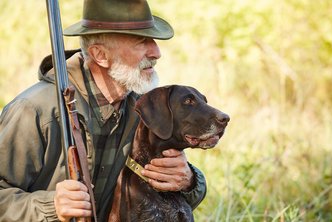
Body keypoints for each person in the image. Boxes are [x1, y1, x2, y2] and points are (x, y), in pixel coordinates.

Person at [0, 0, 207, 221]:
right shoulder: (35, 111)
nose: (156, 52)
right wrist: (51, 206)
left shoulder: (142, 111)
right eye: (141, 41)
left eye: (153, 41)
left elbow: (173, 196)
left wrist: (189, 181)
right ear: (100, 55)